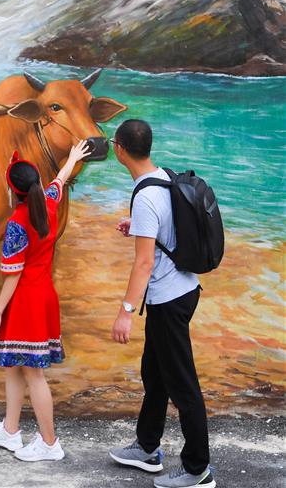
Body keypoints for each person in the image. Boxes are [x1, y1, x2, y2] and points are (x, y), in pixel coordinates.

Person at [108, 119, 215, 488]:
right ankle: (148, 448)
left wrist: (125, 313)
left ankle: (198, 470)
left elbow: (144, 263)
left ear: (120, 148)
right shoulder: (163, 176)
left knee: (182, 384)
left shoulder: (144, 194)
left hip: (168, 299)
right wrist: (137, 225)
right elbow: (169, 225)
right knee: (155, 374)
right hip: (184, 289)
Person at [0, 140, 91, 462]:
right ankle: (11, 430)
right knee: (15, 364)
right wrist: (71, 159)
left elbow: (12, 274)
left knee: (32, 373)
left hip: (25, 300)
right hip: (43, 296)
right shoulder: (50, 203)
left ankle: (49, 443)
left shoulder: (17, 222)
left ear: (13, 191)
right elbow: (60, 180)